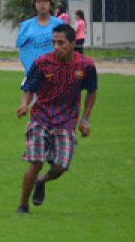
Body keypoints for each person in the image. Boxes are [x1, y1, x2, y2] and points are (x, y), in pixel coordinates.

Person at [15, 24, 97, 214]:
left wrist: (85, 119)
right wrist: (25, 104)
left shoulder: (86, 66)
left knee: (61, 166)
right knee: (36, 162)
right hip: (40, 118)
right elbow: (29, 88)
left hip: (66, 121)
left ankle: (41, 181)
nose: (56, 47)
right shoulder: (42, 63)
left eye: (61, 43)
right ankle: (23, 206)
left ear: (73, 43)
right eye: (54, 43)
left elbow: (92, 92)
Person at [15, 0, 63, 77]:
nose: (42, 4)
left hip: (55, 74)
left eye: (45, 1)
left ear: (50, 4)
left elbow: (65, 48)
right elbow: (21, 49)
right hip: (33, 74)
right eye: (39, 1)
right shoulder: (25, 25)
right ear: (34, 5)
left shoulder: (59, 24)